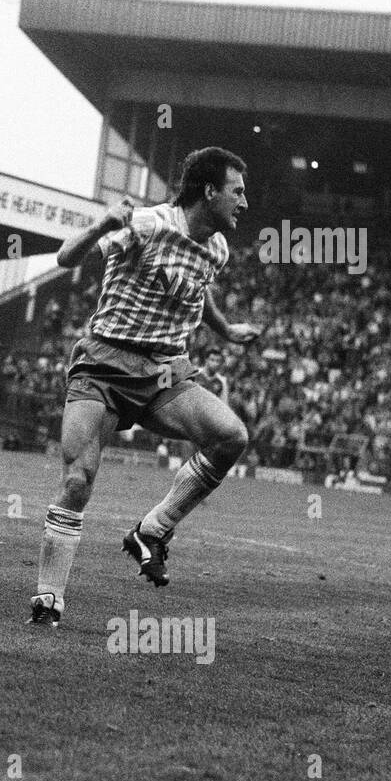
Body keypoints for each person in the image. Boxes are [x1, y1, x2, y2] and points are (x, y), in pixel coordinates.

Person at [29, 147, 260, 627]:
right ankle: (49, 601)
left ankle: (152, 531)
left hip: (164, 370)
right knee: (77, 480)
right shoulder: (150, 224)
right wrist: (102, 224)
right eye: (237, 191)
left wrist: (226, 331)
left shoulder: (216, 248)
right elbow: (66, 257)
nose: (244, 201)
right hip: (104, 362)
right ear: (210, 191)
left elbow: (200, 288)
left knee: (231, 436)